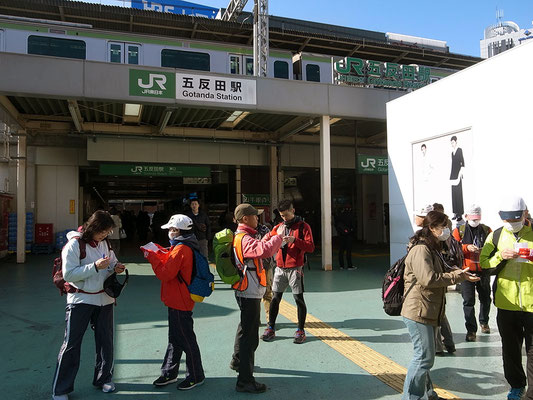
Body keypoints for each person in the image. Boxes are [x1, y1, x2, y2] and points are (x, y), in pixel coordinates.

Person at [401, 210, 479, 400]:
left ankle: (428, 394)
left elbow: (441, 270)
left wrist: (460, 273)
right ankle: (411, 397)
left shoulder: (432, 247)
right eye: (443, 227)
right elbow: (428, 279)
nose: (446, 230)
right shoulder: (421, 249)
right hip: (418, 310)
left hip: (428, 308)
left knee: (424, 357)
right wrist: (457, 276)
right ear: (432, 228)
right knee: (423, 358)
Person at [52, 210, 126, 400]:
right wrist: (94, 267)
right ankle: (60, 389)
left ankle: (105, 378)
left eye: (107, 232)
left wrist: (116, 267)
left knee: (106, 342)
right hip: (81, 300)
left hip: (105, 300)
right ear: (93, 227)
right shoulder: (74, 245)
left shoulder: (105, 244)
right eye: (103, 231)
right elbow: (69, 274)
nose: (105, 235)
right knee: (71, 344)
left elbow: (112, 262)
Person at [480, 196, 533, 400]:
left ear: (525, 213)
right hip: (506, 303)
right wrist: (501, 255)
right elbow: (485, 264)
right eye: (508, 220)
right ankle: (517, 385)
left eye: (515, 219)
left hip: (531, 305)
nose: (512, 224)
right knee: (510, 349)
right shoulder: (496, 236)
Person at [145, 214, 205, 390]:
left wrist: (151, 256)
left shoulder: (180, 249)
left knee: (184, 339)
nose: (169, 233)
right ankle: (169, 372)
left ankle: (196, 375)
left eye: (172, 230)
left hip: (178, 300)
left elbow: (165, 274)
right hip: (180, 299)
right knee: (176, 338)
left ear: (179, 231)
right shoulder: (186, 246)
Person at [230, 203, 283, 394]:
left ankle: (237, 361)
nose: (258, 219)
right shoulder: (244, 238)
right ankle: (245, 380)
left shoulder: (242, 236)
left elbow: (260, 245)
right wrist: (279, 237)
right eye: (254, 216)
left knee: (245, 329)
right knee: (250, 336)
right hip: (249, 291)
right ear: (245, 219)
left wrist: (271, 235)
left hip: (246, 290)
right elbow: (264, 250)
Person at [261, 200, 315, 344]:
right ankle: (270, 327)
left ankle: (300, 330)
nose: (284, 218)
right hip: (279, 268)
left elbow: (310, 247)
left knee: (298, 299)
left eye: (286, 215)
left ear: (293, 210)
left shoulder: (303, 227)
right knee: (275, 298)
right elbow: (269, 239)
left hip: (295, 268)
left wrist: (294, 240)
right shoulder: (278, 226)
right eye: (282, 216)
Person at [452, 204, 492, 342]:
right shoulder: (459, 231)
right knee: (468, 301)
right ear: (466, 216)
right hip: (466, 272)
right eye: (472, 218)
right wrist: (466, 247)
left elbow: (493, 247)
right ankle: (471, 330)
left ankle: (484, 321)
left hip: (483, 271)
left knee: (486, 298)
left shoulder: (487, 230)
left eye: (477, 218)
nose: (475, 220)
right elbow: (454, 248)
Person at [335, 204, 356, 270]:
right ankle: (349, 266)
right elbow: (353, 225)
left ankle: (341, 266)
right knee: (348, 251)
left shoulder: (340, 216)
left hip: (341, 235)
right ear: (350, 209)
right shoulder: (351, 215)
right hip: (349, 235)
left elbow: (337, 225)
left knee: (341, 250)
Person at [449, 135, 465, 221]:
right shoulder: (452, 152)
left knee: (458, 194)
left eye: (453, 142)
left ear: (456, 142)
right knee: (453, 194)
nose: (452, 144)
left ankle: (460, 213)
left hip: (458, 174)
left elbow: (462, 162)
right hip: (453, 175)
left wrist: (461, 173)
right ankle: (455, 212)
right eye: (451, 142)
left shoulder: (459, 150)